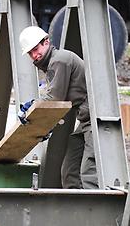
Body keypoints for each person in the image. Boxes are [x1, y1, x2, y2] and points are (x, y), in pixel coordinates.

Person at [19, 26, 98, 189]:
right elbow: (57, 105)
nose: (34, 55)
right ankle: (76, 210)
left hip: (95, 120)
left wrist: (32, 107)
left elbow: (54, 98)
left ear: (46, 42)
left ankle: (94, 210)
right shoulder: (51, 66)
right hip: (84, 121)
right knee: (70, 171)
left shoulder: (60, 60)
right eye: (30, 53)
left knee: (88, 173)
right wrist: (44, 127)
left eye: (36, 49)